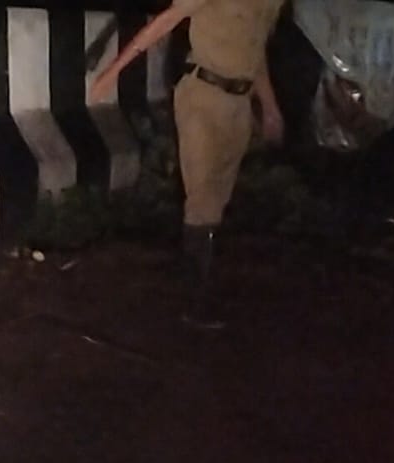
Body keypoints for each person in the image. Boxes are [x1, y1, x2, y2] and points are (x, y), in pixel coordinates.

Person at [90, 0, 287, 329]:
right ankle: (195, 302)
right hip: (202, 97)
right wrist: (113, 72)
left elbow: (255, 49)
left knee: (217, 200)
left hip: (239, 103)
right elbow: (166, 21)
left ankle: (193, 275)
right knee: (202, 200)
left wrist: (269, 105)